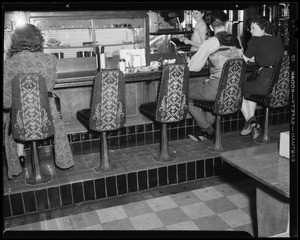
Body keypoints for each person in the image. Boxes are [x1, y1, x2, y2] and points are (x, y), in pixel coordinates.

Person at [3, 23, 74, 179]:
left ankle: (16, 164)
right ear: (38, 39)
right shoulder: (49, 60)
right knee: (55, 114)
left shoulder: (8, 64)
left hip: (20, 119)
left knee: (7, 120)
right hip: (46, 116)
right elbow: (51, 83)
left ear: (15, 40)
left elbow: (6, 102)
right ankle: (64, 161)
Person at [187, 10, 243, 141]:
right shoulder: (237, 40)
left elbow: (194, 67)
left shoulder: (211, 42)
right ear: (227, 24)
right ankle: (204, 131)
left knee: (185, 96)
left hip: (216, 88)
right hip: (234, 89)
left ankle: (207, 129)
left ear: (211, 27)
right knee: (210, 99)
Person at [240, 15, 284, 140]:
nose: (251, 31)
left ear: (263, 27)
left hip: (264, 84)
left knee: (236, 88)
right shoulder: (277, 40)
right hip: (277, 85)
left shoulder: (256, 40)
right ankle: (252, 123)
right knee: (249, 88)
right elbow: (268, 56)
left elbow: (243, 61)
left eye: (253, 28)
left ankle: (250, 120)